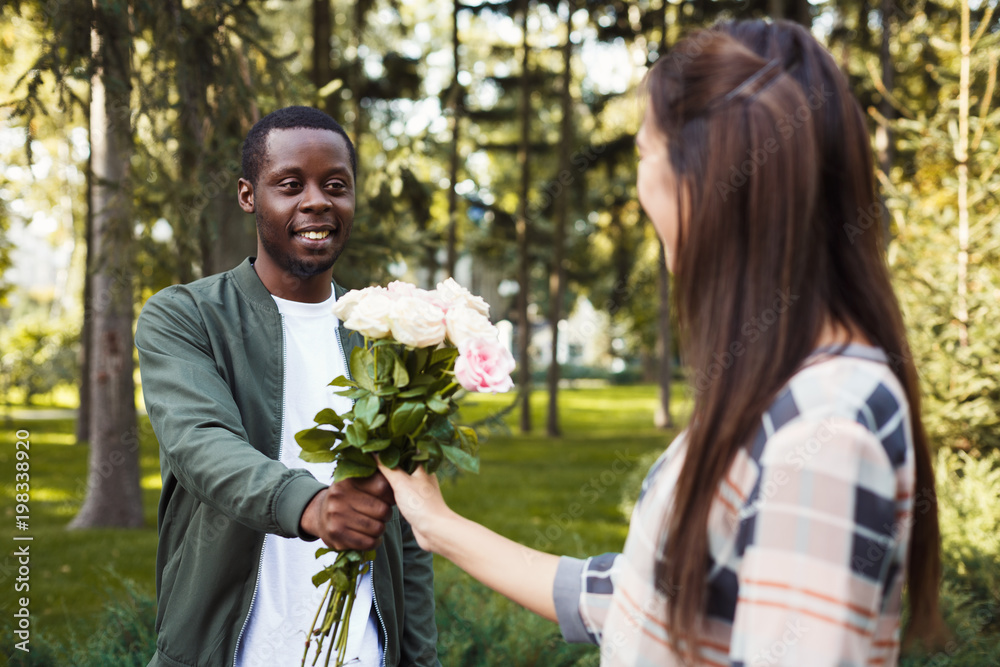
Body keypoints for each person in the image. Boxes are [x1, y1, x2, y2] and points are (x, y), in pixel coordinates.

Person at [376, 22, 944, 666]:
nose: (641, 186)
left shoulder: (821, 434)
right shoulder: (794, 393)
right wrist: (438, 526)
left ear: (706, 178)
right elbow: (656, 602)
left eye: (645, 152)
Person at [135, 106, 439, 667]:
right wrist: (313, 505)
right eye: (291, 184)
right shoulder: (186, 316)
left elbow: (409, 531)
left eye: (336, 185)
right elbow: (201, 442)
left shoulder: (381, 335)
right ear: (250, 196)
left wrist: (420, 659)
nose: (318, 200)